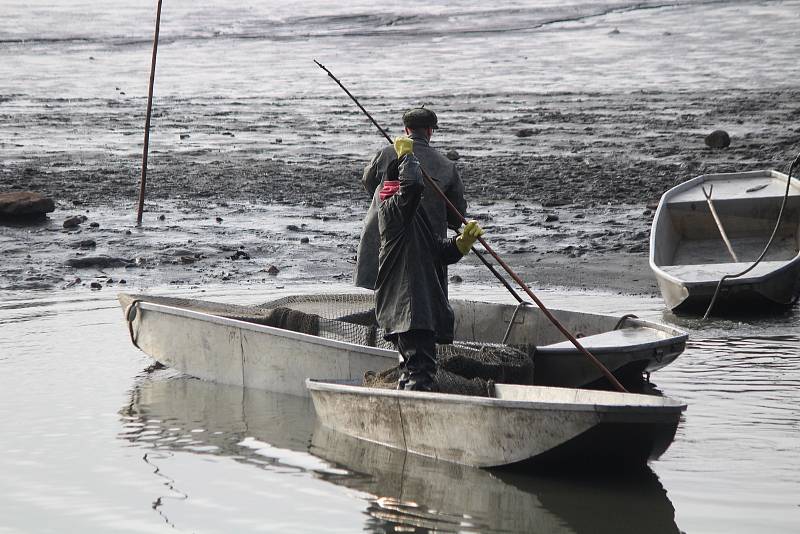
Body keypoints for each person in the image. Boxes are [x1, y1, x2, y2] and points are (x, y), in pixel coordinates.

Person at [375, 136, 484, 392]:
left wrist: (462, 242)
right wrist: (407, 157)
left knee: (413, 370)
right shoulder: (391, 210)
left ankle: (407, 406)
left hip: (416, 310)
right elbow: (412, 185)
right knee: (420, 373)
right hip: (409, 310)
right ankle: (416, 417)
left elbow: (438, 251)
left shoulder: (413, 214)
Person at [354, 107, 467, 290]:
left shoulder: (385, 154)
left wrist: (386, 203)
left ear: (407, 130)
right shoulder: (447, 166)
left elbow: (368, 182)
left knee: (379, 302)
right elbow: (456, 216)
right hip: (425, 248)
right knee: (423, 301)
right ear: (430, 131)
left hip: (380, 243)